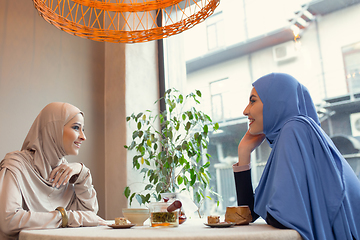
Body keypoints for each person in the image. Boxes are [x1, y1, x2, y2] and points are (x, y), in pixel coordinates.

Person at [234, 73, 360, 240]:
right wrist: (244, 151)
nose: (245, 111)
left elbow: (283, 218)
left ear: (276, 102)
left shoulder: (294, 128)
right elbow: (249, 214)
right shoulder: (294, 134)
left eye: (253, 100)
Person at [0, 102, 106, 240]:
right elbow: (9, 221)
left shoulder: (67, 172)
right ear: (53, 129)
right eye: (76, 128)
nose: (83, 136)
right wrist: (66, 217)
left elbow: (89, 217)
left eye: (83, 129)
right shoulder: (16, 165)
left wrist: (83, 174)